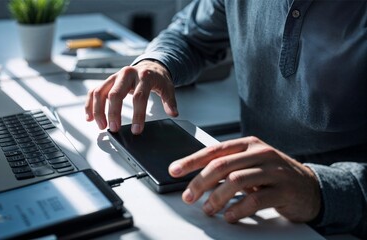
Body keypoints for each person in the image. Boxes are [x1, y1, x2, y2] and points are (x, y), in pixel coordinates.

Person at [85, 0, 367, 237]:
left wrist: (317, 188)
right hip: (250, 197)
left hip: (341, 216)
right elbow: (190, 35)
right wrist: (156, 63)